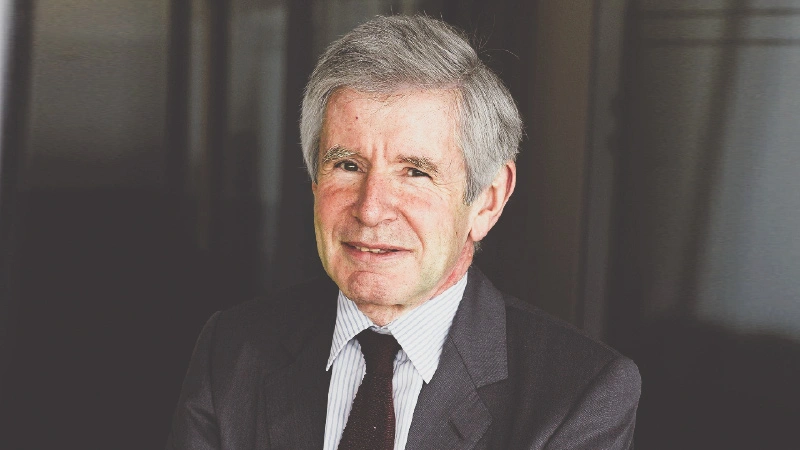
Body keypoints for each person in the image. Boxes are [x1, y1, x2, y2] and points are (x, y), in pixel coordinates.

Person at [166, 15, 640, 450]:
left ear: (487, 200)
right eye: (347, 165)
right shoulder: (232, 349)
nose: (371, 210)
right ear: (313, 182)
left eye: (415, 172)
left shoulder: (578, 394)